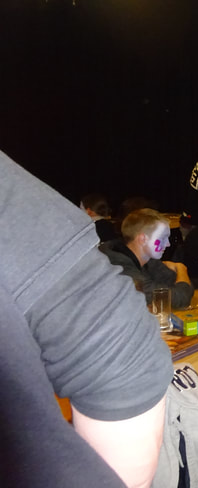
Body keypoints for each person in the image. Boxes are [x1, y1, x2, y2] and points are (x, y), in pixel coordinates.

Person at [1, 150, 172, 488]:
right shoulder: (120, 260)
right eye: (162, 238)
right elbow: (165, 291)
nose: (168, 244)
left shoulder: (146, 263)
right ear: (141, 238)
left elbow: (159, 290)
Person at [99, 208, 194, 309]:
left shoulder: (147, 259)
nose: (168, 244)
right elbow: (180, 298)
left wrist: (181, 283)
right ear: (143, 239)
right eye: (162, 238)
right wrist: (181, 269)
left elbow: (185, 290)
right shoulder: (119, 268)